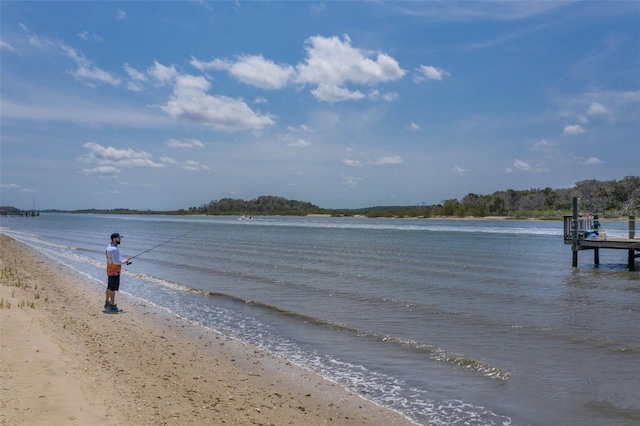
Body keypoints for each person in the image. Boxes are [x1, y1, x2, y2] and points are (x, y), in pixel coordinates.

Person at [105, 232, 131, 312]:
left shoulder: (108, 247)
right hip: (114, 271)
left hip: (109, 269)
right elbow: (116, 262)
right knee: (113, 289)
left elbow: (110, 259)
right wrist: (125, 261)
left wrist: (122, 261)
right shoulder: (114, 249)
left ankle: (107, 303)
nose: (120, 239)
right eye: (119, 238)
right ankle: (112, 305)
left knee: (109, 287)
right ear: (114, 239)